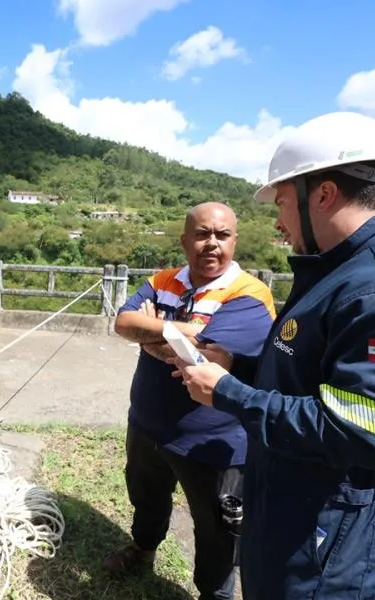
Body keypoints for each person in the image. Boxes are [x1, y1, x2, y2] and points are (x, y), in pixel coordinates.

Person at [169, 111, 375, 599]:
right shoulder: (335, 274)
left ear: (323, 195)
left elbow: (371, 432)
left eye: (282, 202)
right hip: (290, 506)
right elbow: (310, 376)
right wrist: (237, 367)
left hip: (328, 536)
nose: (279, 222)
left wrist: (231, 395)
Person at [106, 202, 275, 599]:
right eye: (201, 234)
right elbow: (123, 323)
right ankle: (143, 549)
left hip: (213, 441)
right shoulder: (164, 279)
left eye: (222, 235)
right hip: (147, 425)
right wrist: (182, 331)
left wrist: (154, 332)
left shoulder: (250, 294)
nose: (211, 243)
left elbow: (205, 352)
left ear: (235, 241)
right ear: (185, 241)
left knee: (216, 526)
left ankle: (214, 594)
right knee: (146, 496)